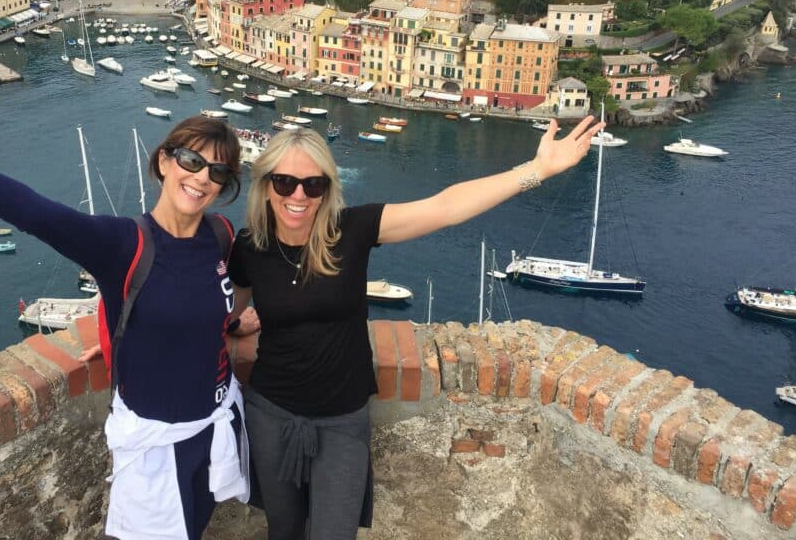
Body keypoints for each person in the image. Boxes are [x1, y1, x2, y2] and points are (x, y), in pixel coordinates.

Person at [0, 77, 254, 540]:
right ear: (165, 162)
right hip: (155, 447)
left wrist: (233, 321)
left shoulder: (222, 235)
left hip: (218, 423)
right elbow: (30, 210)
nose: (203, 177)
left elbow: (201, 303)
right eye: (192, 160)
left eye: (219, 172)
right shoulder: (121, 243)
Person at [226, 117, 603, 540]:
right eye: (284, 183)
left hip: (341, 419)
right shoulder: (249, 246)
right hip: (270, 412)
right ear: (265, 184)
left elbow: (445, 207)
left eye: (313, 185)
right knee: (283, 530)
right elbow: (231, 308)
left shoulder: (351, 230)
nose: (298, 195)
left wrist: (538, 170)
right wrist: (237, 325)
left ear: (327, 189)